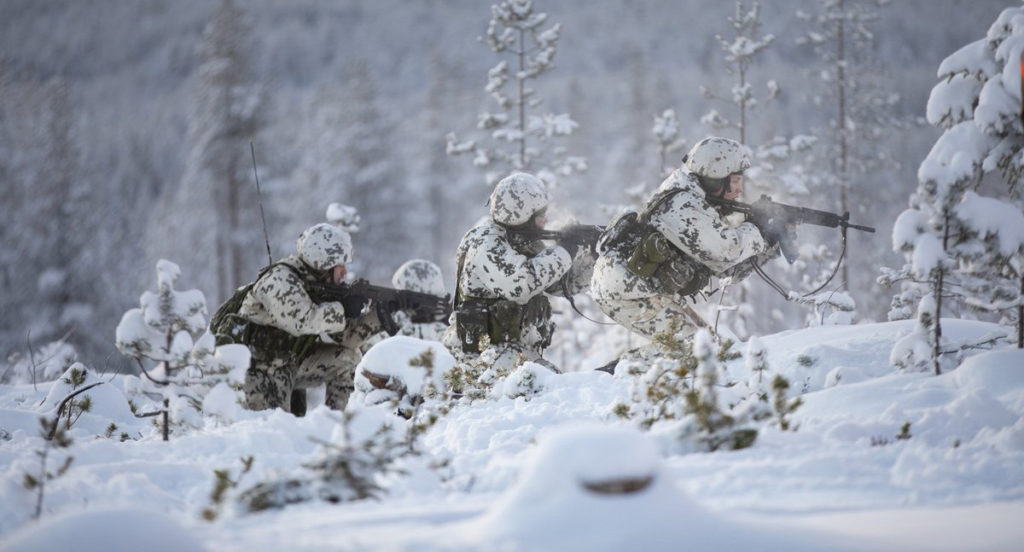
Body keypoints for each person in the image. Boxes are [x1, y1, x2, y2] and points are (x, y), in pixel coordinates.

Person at [590, 136, 783, 342]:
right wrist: (757, 229)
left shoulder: (698, 201)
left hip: (642, 288)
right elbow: (727, 251)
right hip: (625, 290)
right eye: (735, 180)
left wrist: (769, 243)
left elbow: (727, 270)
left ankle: (623, 373)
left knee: (707, 346)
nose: (739, 189)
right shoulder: (682, 203)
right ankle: (615, 375)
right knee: (693, 351)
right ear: (716, 177)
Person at [444, 172, 593, 371]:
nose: (545, 220)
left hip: (512, 354)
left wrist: (593, 257)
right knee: (555, 384)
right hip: (479, 359)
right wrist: (565, 250)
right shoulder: (485, 241)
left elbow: (561, 284)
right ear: (521, 215)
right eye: (540, 215)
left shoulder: (522, 242)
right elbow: (520, 285)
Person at [236, 223, 381, 413]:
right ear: (324, 263)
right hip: (258, 370)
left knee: (348, 359)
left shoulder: (318, 284)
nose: (345, 272)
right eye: (341, 265)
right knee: (273, 432)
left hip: (288, 363)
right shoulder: (279, 280)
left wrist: (379, 316)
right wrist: (343, 308)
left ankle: (335, 427)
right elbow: (302, 321)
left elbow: (347, 339)